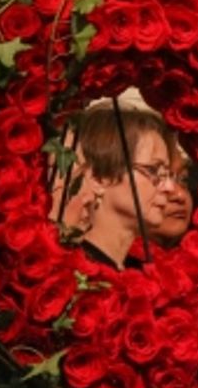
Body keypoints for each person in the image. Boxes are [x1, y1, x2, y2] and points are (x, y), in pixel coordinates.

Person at [71, 104, 181, 269]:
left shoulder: (140, 272)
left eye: (167, 173)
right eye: (153, 170)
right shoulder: (74, 274)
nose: (170, 188)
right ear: (98, 179)